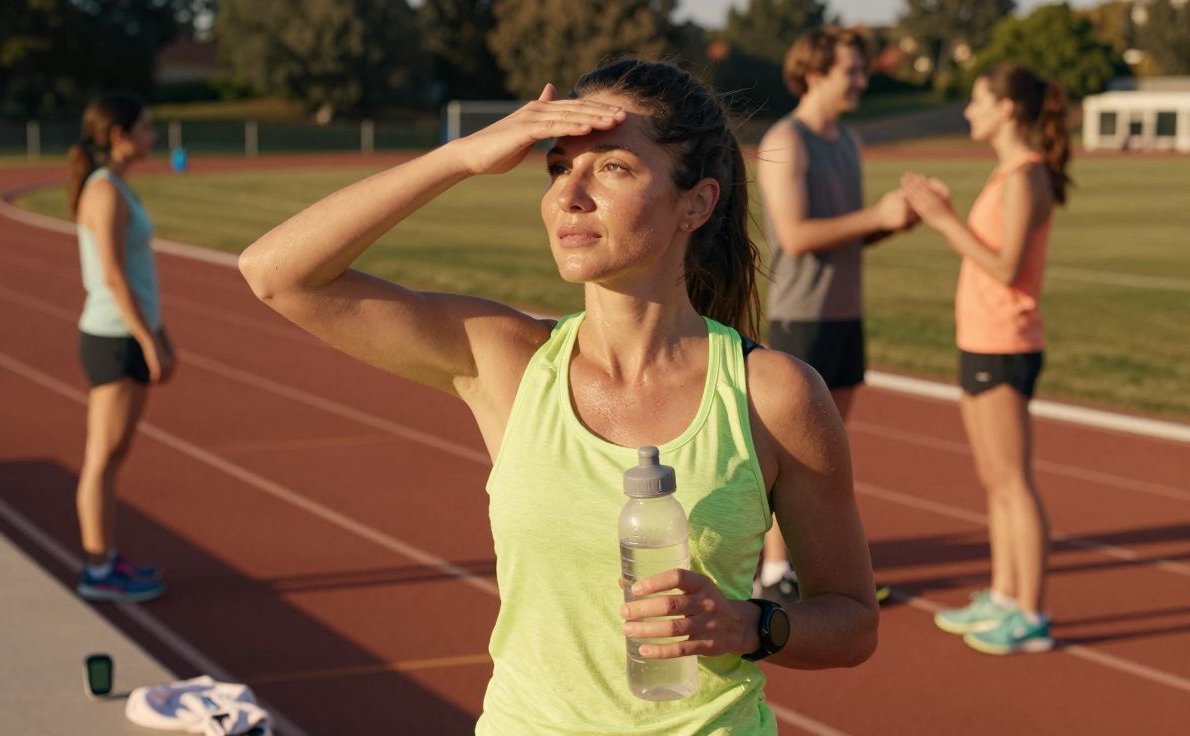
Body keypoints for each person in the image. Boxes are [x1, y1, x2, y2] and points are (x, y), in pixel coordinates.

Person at [240, 59, 878, 733]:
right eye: (555, 167)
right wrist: (459, 158)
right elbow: (278, 274)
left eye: (612, 168)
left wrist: (752, 625)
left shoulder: (772, 394)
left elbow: (852, 621)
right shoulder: (507, 362)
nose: (569, 195)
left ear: (696, 202)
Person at [901, 64, 1070, 655]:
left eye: (977, 100)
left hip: (1006, 341)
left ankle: (1032, 612)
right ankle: (1005, 595)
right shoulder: (1009, 174)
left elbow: (1004, 267)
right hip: (983, 339)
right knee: (995, 480)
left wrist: (943, 219)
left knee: (1013, 482)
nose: (969, 111)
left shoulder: (1026, 176)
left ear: (1006, 110)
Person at [754, 26, 912, 604]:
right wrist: (877, 216)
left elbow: (844, 237)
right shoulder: (787, 141)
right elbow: (795, 236)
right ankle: (774, 572)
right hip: (803, 316)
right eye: (851, 70)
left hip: (845, 313)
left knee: (831, 453)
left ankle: (816, 569)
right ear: (815, 73)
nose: (861, 81)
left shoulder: (845, 140)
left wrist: (889, 223)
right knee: (793, 453)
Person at [68, 92, 171, 603]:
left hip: (126, 332)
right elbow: (111, 274)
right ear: (119, 135)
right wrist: (148, 340)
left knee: (113, 456)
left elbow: (134, 272)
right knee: (102, 458)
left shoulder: (115, 187)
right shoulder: (105, 191)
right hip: (113, 337)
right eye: (147, 127)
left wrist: (157, 329)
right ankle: (97, 567)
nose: (153, 136)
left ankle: (106, 558)